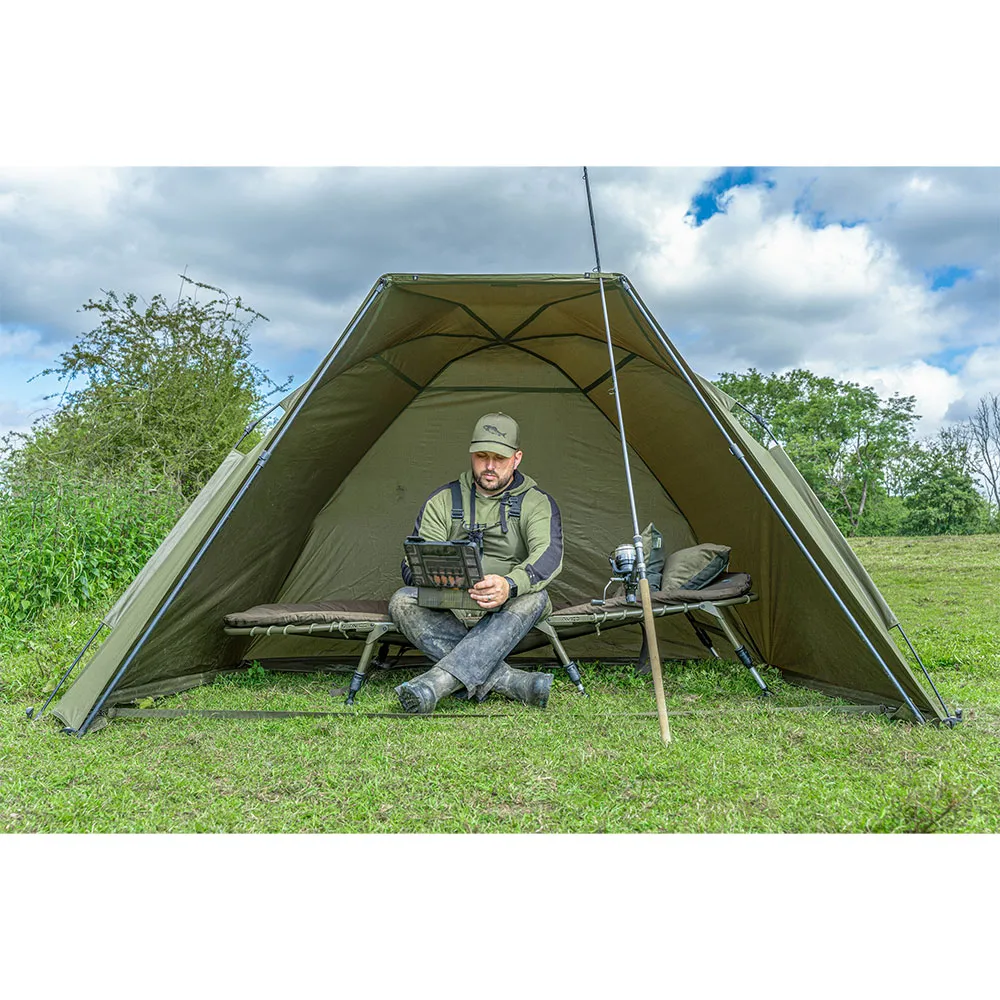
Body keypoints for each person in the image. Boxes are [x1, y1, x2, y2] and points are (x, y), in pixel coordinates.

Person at [390, 412, 564, 715]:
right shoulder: (443, 500)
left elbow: (549, 556)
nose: (490, 466)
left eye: (499, 458)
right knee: (402, 601)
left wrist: (508, 585)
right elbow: (413, 562)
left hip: (508, 605)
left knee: (536, 597)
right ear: (472, 454)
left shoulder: (536, 502)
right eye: (482, 456)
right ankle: (514, 683)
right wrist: (436, 578)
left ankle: (434, 685)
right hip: (451, 603)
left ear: (517, 458)